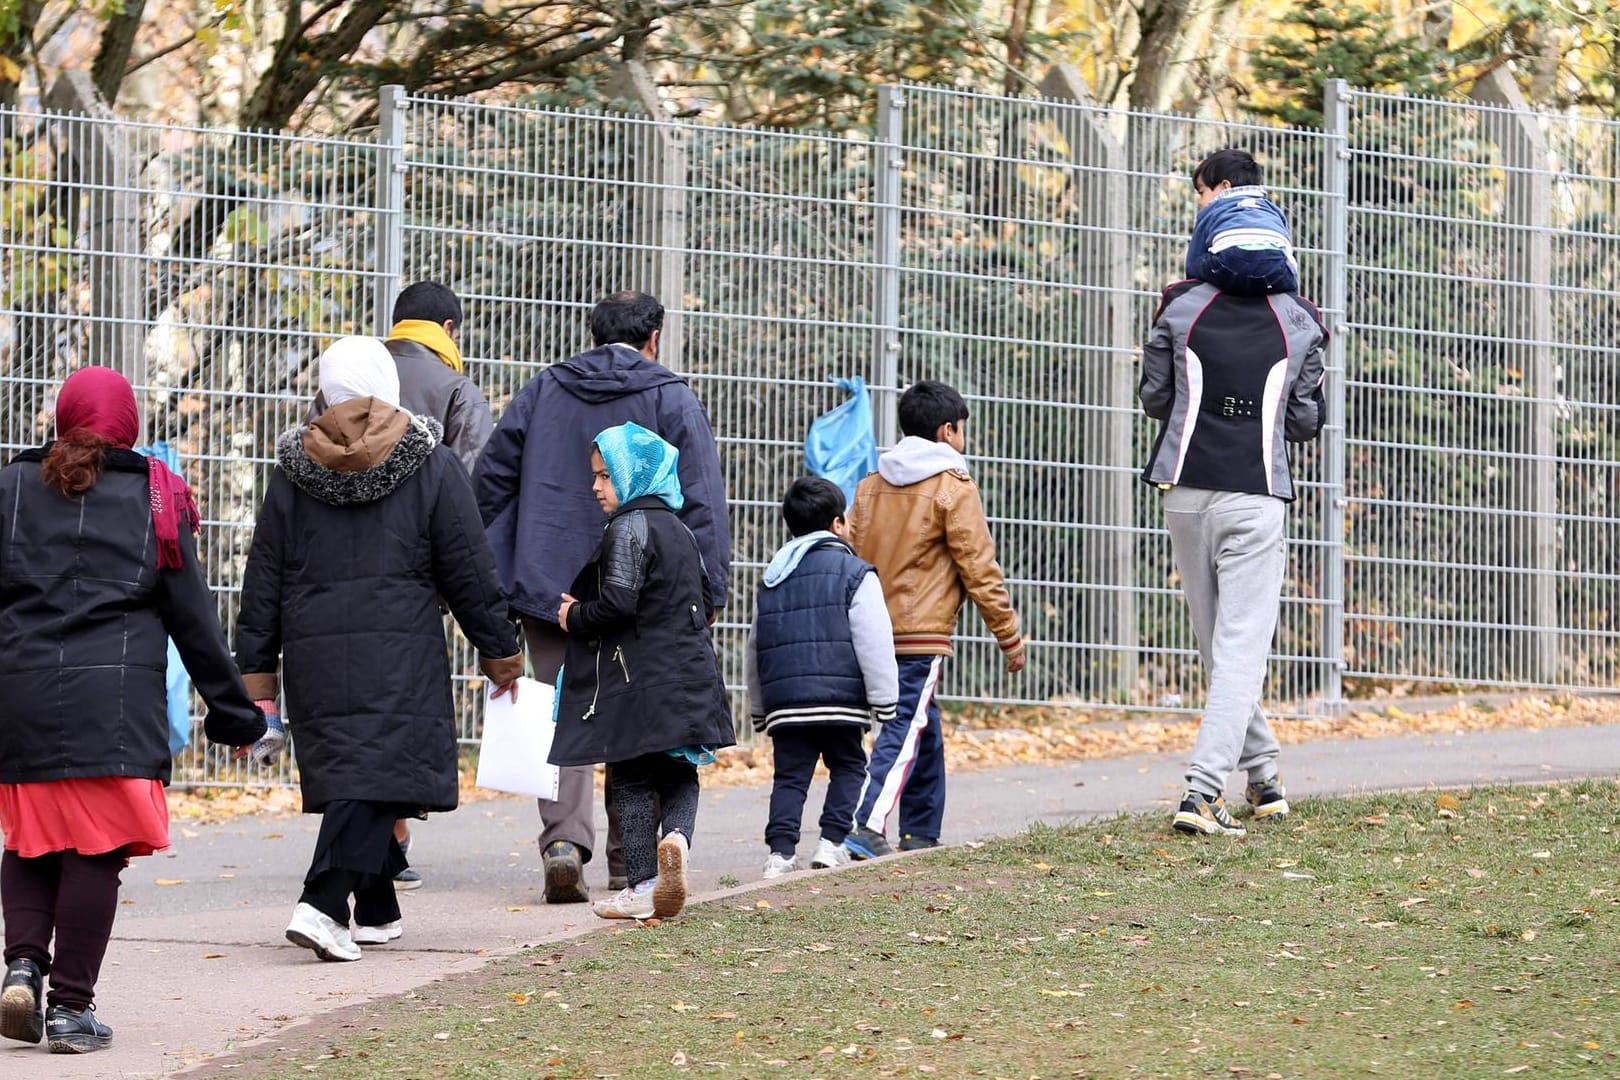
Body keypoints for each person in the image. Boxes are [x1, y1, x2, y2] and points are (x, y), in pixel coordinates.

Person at [0, 367, 267, 1054]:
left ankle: (22, 968)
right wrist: (235, 712)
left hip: (21, 697)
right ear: (129, 424)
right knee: (97, 850)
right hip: (112, 706)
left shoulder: (9, 489)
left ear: (62, 417)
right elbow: (194, 619)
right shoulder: (155, 497)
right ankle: (69, 1009)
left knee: (31, 840)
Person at [236, 337, 523, 961]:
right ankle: (321, 902)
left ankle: (375, 906)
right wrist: (500, 653)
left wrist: (259, 678)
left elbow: (264, 581)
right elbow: (470, 574)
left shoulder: (293, 472)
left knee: (357, 771)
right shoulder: (433, 465)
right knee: (378, 773)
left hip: (313, 656)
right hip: (401, 655)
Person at [474, 291, 731, 903]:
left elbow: (491, 482)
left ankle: (564, 842)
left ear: (594, 336)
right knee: (632, 710)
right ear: (655, 337)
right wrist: (709, 585)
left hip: (549, 584)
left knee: (566, 708)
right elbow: (700, 496)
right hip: (647, 592)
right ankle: (629, 862)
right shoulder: (671, 395)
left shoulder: (543, 390)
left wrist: (490, 566)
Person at [313, 280, 496, 891]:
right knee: (405, 697)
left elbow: (317, 458)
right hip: (418, 569)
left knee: (356, 696)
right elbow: (471, 490)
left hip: (335, 570)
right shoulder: (459, 391)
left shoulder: (342, 375)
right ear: (450, 328)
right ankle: (379, 846)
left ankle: (383, 844)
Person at [1139, 255, 1329, 836]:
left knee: (1217, 646)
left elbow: (1154, 396)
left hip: (1186, 494)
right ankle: (1201, 792)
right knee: (1242, 649)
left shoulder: (1181, 303)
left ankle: (1265, 776)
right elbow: (1303, 420)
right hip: (1256, 492)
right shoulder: (1301, 319)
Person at [552, 422, 734, 920]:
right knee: (680, 773)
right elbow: (704, 599)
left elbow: (617, 603)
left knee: (630, 779)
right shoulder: (682, 530)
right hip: (690, 674)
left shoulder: (627, 526)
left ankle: (642, 884)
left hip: (636, 679)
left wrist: (574, 616)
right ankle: (676, 838)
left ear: (634, 476)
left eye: (606, 476)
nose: (596, 487)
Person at [842, 380, 1026, 860]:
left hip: (873, 627)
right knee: (904, 724)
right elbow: (978, 567)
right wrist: (1008, 633)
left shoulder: (869, 486)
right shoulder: (953, 486)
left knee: (925, 723)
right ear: (947, 431)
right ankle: (865, 823)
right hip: (921, 632)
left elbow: (851, 557)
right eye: (961, 430)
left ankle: (920, 829)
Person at [744, 477, 898, 879]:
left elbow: (755, 646)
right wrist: (885, 700)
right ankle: (831, 843)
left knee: (790, 776)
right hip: (841, 701)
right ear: (837, 524)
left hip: (787, 702)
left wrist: (760, 708)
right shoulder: (856, 572)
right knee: (849, 766)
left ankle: (780, 854)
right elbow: (874, 638)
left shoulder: (773, 576)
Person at [1185, 147, 1299, 298]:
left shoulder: (1213, 209)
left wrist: (1189, 286)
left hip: (1230, 262)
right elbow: (1287, 250)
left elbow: (1194, 259)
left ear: (1225, 186)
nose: (1200, 202)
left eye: (1202, 192)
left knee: (1202, 264)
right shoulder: (1272, 210)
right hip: (1275, 268)